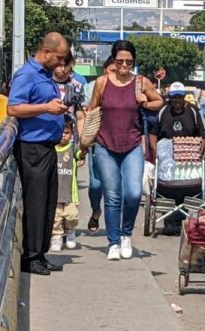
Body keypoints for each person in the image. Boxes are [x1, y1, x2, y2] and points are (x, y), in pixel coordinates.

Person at [87, 40, 163, 261]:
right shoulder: (102, 83)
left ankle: (126, 233)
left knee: (132, 193)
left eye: (129, 61)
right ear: (113, 60)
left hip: (132, 145)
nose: (124, 65)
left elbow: (159, 101)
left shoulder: (141, 82)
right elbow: (92, 110)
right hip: (105, 145)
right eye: (120, 61)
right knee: (112, 197)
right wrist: (84, 143)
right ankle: (113, 241)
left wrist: (145, 102)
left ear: (133, 62)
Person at [7, 32, 70, 276]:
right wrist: (46, 107)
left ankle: (40, 253)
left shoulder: (45, 75)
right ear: (46, 52)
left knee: (47, 202)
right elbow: (13, 106)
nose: (61, 63)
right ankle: (30, 257)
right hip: (32, 148)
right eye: (59, 58)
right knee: (35, 202)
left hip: (47, 147)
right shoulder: (27, 75)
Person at [149, 81, 205, 235]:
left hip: (188, 161)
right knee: (167, 189)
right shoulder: (163, 111)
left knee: (188, 187)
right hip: (166, 162)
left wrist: (199, 154)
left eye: (179, 97)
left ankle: (182, 220)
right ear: (169, 98)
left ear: (184, 98)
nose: (176, 101)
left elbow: (203, 136)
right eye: (173, 98)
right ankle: (170, 220)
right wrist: (157, 153)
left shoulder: (193, 112)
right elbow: (153, 134)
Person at [85, 58, 115, 233]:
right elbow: (86, 115)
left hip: (120, 143)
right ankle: (96, 211)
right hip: (97, 142)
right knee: (96, 184)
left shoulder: (128, 87)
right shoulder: (91, 88)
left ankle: (116, 230)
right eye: (111, 70)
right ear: (105, 70)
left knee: (116, 186)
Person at [51, 119, 85, 252]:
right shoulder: (52, 149)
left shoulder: (72, 148)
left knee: (72, 215)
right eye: (60, 133)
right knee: (56, 217)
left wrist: (82, 154)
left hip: (71, 193)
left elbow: (80, 154)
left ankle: (70, 231)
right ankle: (57, 236)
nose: (63, 136)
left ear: (71, 134)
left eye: (66, 133)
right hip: (55, 192)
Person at [53, 53, 86, 141]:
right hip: (47, 138)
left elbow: (80, 117)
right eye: (59, 65)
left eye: (66, 65)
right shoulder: (44, 84)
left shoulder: (76, 86)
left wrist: (81, 140)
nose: (63, 69)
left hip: (69, 140)